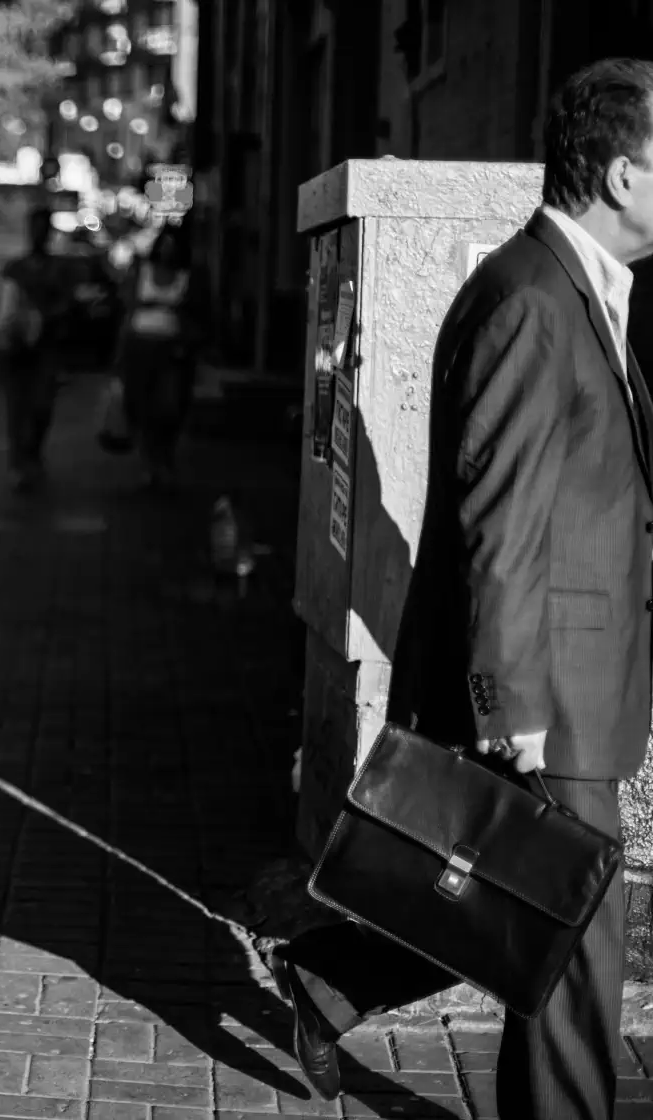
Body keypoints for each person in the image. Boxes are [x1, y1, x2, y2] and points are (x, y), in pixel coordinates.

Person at [272, 57, 653, 1120]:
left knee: (518, 899)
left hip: (579, 676)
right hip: (545, 692)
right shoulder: (531, 300)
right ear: (621, 175)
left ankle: (326, 977)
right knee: (574, 951)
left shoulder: (580, 292)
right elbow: (499, 521)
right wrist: (511, 707)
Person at [114, 225, 197, 489]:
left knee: (170, 407)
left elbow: (195, 315)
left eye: (173, 244)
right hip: (139, 348)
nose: (167, 250)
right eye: (164, 244)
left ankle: (165, 458)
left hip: (171, 351)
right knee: (143, 407)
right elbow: (128, 309)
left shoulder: (187, 277)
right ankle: (150, 463)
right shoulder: (142, 272)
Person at [0, 206, 67, 492]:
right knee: (17, 408)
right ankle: (19, 463)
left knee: (41, 406)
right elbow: (3, 305)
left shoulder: (58, 268)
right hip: (16, 350)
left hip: (46, 348)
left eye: (42, 228)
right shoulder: (16, 267)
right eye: (34, 228)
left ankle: (33, 454)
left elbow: (67, 305)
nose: (38, 234)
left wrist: (43, 317)